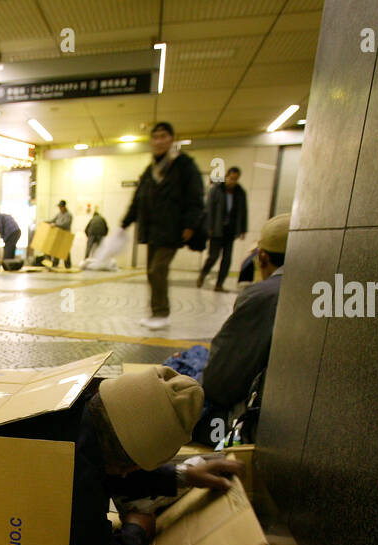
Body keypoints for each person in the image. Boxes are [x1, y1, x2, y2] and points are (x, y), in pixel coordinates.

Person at [0, 367, 241, 545]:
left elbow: (104, 457)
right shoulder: (79, 488)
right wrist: (137, 529)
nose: (128, 473)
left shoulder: (72, 406)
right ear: (127, 468)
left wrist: (181, 476)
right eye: (133, 466)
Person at [193, 215, 289, 446]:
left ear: (263, 257)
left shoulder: (263, 297)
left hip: (259, 427)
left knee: (183, 410)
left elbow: (219, 383)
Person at [122, 121, 204, 330]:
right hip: (152, 231)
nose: (159, 141)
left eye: (163, 136)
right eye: (155, 137)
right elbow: (138, 199)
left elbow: (195, 196)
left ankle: (161, 313)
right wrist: (124, 223)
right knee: (151, 271)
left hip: (173, 229)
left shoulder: (184, 165)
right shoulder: (151, 170)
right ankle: (156, 311)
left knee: (158, 268)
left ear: (172, 139)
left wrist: (190, 225)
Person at [199, 167, 248, 291]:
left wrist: (243, 229)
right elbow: (209, 209)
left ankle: (219, 284)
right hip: (216, 229)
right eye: (231, 178)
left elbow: (243, 212)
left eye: (236, 179)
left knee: (227, 259)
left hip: (230, 231)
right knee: (213, 256)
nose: (233, 182)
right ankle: (203, 273)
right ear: (227, 176)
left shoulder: (240, 193)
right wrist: (209, 227)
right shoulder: (216, 190)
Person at [50, 199, 74, 267]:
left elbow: (65, 224)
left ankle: (68, 265)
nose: (59, 208)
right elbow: (53, 220)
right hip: (59, 234)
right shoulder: (59, 214)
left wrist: (56, 225)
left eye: (60, 207)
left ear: (64, 207)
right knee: (56, 249)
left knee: (65, 251)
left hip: (66, 235)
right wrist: (46, 222)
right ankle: (55, 264)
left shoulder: (69, 215)